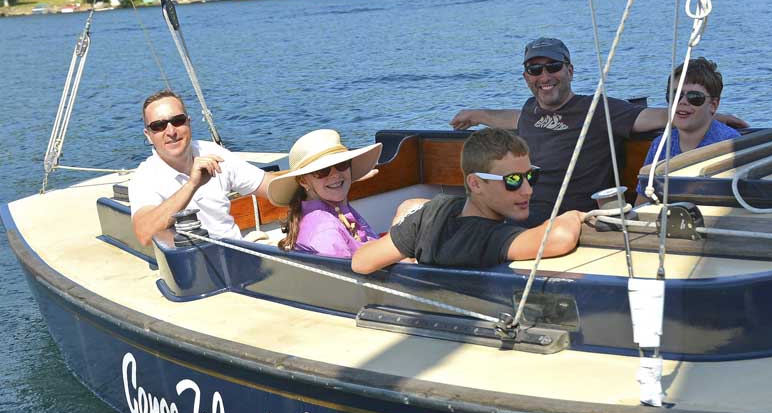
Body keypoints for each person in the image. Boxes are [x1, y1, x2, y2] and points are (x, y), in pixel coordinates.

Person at [449, 37, 747, 227]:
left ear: (569, 70)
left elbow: (651, 115)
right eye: (535, 70)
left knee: (468, 231)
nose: (544, 76)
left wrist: (707, 113)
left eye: (552, 67)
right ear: (526, 76)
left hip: (561, 218)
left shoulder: (597, 109)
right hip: (517, 205)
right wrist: (478, 115)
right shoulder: (530, 110)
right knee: (441, 216)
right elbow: (513, 118)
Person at [351, 128, 582, 274]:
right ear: (476, 183)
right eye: (512, 180)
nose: (527, 189)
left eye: (531, 176)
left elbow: (361, 262)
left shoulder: (434, 211)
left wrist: (409, 254)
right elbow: (558, 239)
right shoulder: (487, 238)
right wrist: (576, 215)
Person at [129, 90, 271, 246]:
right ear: (148, 135)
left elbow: (270, 186)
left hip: (237, 254)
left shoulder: (213, 153)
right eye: (159, 125)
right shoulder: (144, 178)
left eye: (178, 121)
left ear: (189, 122)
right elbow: (145, 234)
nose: (171, 131)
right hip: (191, 264)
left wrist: (301, 180)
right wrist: (192, 184)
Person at [635, 57, 740, 204]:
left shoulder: (729, 144)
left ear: (713, 105)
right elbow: (641, 202)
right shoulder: (660, 145)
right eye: (675, 95)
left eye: (694, 97)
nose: (683, 102)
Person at [267, 129, 383, 258]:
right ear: (303, 181)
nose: (335, 175)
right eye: (322, 171)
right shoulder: (325, 229)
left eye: (341, 164)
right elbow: (346, 275)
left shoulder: (329, 210)